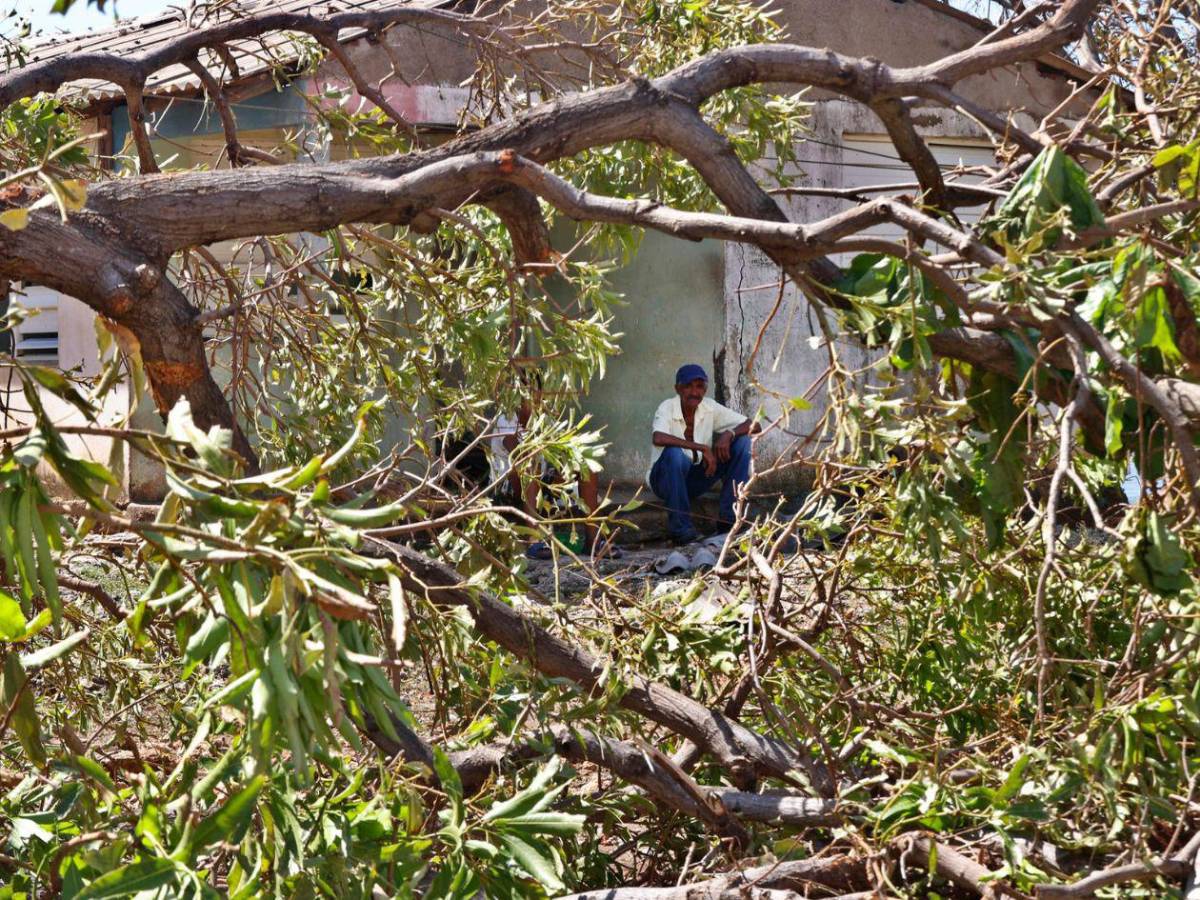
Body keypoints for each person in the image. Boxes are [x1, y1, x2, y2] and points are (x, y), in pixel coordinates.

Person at [649, 363, 758, 545]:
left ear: (705, 389)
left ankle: (728, 520)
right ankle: (681, 530)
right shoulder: (667, 407)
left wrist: (728, 434)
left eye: (700, 386)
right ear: (678, 388)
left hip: (694, 480)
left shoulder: (709, 407)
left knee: (742, 442)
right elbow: (658, 437)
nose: (694, 392)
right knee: (675, 455)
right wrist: (703, 448)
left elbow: (754, 425)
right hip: (664, 481)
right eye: (688, 386)